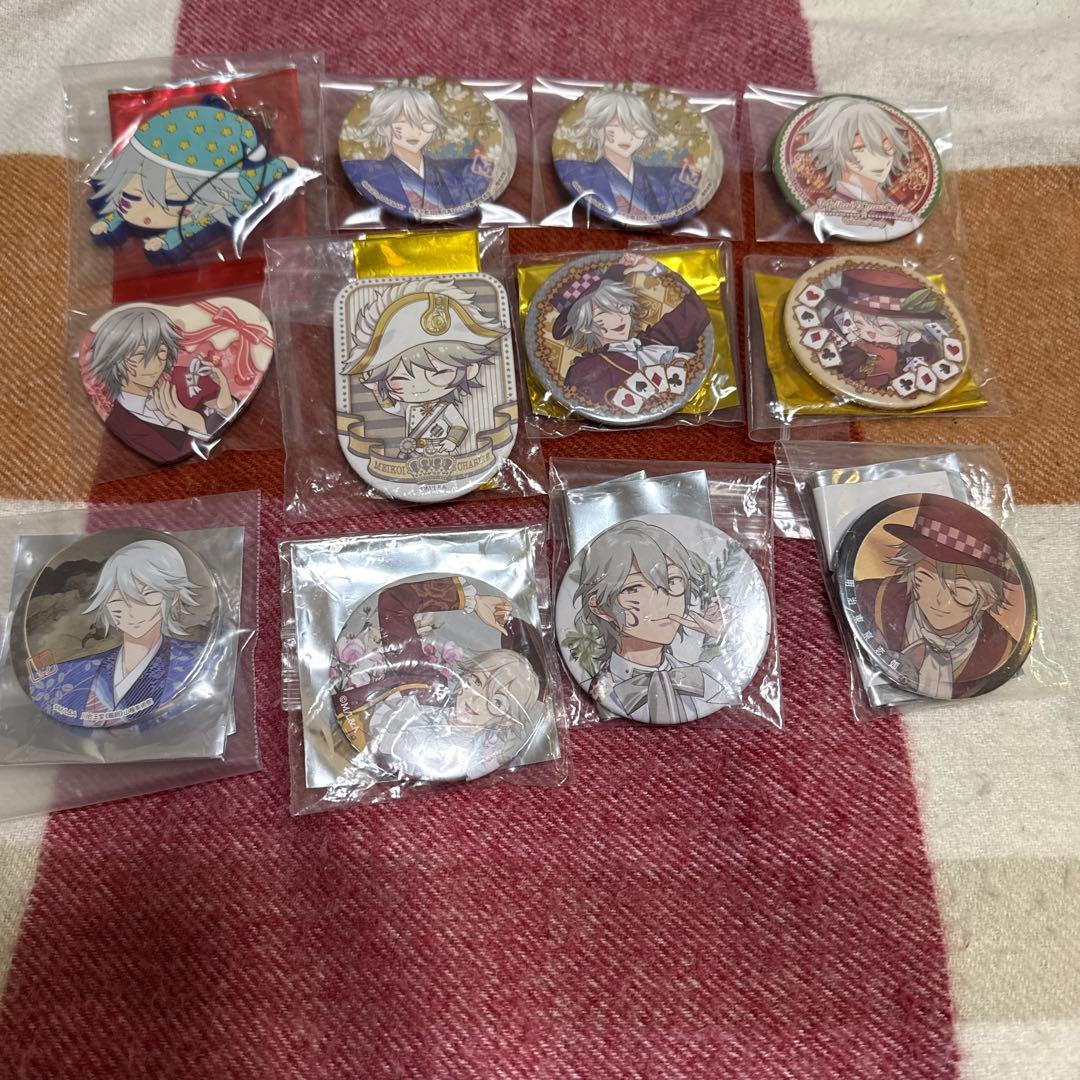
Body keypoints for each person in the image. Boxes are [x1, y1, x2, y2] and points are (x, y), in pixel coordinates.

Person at [330, 576, 544, 780]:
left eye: (497, 702)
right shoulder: (426, 682)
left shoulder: (479, 761)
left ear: (507, 720)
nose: (476, 699)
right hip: (329, 733)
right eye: (478, 681)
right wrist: (472, 600)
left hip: (363, 775)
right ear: (466, 675)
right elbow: (394, 602)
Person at [568, 520, 734, 724]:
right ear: (599, 607)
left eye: (672, 581)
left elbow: (737, 674)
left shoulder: (710, 679)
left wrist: (725, 635)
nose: (662, 601)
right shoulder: (599, 688)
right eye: (633, 589)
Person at [855, 497, 1020, 698]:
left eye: (961, 591)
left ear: (987, 599)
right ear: (911, 570)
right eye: (926, 578)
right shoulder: (866, 598)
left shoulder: (1001, 652)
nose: (940, 600)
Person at [28, 540, 204, 727]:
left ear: (173, 596)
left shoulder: (196, 660)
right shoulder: (68, 673)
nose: (131, 610)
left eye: (146, 595)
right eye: (118, 597)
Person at [89, 99, 296, 256]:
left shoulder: (216, 204)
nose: (148, 212)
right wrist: (109, 224)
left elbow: (254, 179)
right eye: (132, 197)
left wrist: (281, 167)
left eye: (172, 202)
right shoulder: (137, 184)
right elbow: (123, 206)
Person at [344, 277, 506, 459]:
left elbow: (460, 425)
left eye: (439, 373)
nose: (419, 387)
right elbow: (392, 409)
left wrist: (452, 441)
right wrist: (377, 391)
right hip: (414, 452)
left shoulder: (445, 407)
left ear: (470, 370)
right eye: (399, 378)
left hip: (442, 451)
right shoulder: (408, 407)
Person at [550, 253, 709, 408]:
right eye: (605, 311)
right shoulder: (586, 370)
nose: (621, 317)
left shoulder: (654, 340)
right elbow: (599, 410)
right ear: (584, 326)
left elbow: (697, 307)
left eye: (621, 306)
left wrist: (657, 269)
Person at [86, 306, 236, 464]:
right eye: (140, 355)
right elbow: (171, 457)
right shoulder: (121, 423)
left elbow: (225, 410)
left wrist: (227, 406)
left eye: (162, 352)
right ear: (114, 358)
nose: (155, 364)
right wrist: (197, 426)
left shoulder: (182, 379)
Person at [343, 84, 493, 216]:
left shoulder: (452, 174)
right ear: (382, 127)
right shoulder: (368, 174)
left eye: (425, 122)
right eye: (403, 122)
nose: (415, 132)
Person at [556, 90, 699, 222]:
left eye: (637, 127)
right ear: (596, 129)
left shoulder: (658, 182)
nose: (628, 136)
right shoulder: (578, 174)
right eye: (617, 126)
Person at [818, 267, 946, 389]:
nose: (870, 334)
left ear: (913, 333)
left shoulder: (923, 354)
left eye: (885, 327)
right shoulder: (847, 347)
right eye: (858, 323)